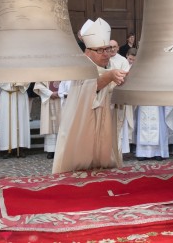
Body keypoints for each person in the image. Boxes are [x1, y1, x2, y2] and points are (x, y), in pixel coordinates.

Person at [52, 18, 127, 173]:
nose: (105, 54)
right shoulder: (82, 68)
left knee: (103, 167)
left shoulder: (111, 66)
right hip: (83, 124)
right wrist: (110, 76)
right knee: (80, 166)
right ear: (87, 52)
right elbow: (91, 87)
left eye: (107, 49)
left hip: (105, 122)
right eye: (100, 50)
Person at [0, 81, 31, 158]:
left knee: (21, 120)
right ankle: (7, 148)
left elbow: (28, 76)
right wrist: (10, 83)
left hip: (20, 93)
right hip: (7, 94)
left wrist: (21, 83)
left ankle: (21, 147)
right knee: (6, 121)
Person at [34, 81, 65, 159]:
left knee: (62, 124)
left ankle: (61, 150)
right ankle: (51, 150)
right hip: (48, 100)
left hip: (60, 99)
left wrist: (60, 93)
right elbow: (38, 85)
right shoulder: (44, 72)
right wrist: (50, 93)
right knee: (49, 125)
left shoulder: (63, 70)